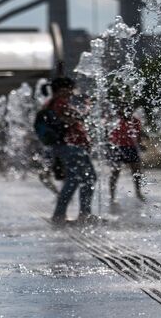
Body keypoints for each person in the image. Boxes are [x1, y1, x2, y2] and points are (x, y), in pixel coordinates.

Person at [46, 77, 96, 224]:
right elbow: (79, 116)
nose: (72, 92)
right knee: (88, 178)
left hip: (69, 147)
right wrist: (89, 107)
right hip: (71, 148)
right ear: (62, 89)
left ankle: (61, 214)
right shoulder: (59, 103)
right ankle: (82, 214)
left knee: (74, 180)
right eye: (70, 89)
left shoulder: (53, 103)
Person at [108, 106, 146, 202]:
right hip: (118, 148)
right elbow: (110, 135)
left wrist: (141, 144)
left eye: (130, 110)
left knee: (136, 171)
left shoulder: (135, 121)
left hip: (131, 147)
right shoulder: (116, 120)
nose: (128, 112)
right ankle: (112, 195)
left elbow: (138, 135)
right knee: (115, 172)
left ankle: (138, 192)